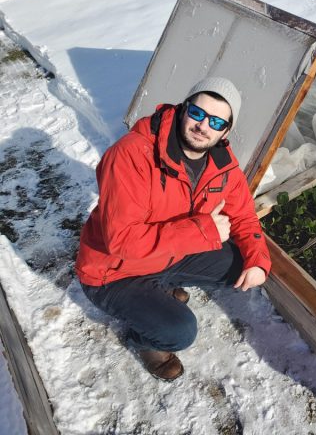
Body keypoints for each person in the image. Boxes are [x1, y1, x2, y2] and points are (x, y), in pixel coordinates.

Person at [75, 77, 271, 381]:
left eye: (216, 121)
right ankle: (145, 341)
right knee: (179, 331)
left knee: (239, 262)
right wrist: (202, 231)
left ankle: (161, 288)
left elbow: (244, 215)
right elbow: (121, 241)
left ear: (226, 131)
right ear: (183, 108)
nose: (203, 126)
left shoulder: (221, 163)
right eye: (198, 113)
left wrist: (258, 259)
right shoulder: (131, 155)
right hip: (114, 272)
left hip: (166, 254)